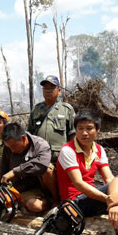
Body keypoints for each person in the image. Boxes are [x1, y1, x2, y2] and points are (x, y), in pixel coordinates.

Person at [56, 109, 114, 216]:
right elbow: (79, 184)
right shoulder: (67, 150)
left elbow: (109, 178)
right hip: (74, 203)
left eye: (89, 128)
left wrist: (116, 195)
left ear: (98, 130)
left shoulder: (99, 150)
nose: (84, 133)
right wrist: (108, 199)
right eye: (80, 129)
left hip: (91, 198)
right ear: (75, 130)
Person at [28, 75, 75, 203]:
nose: (48, 91)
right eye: (45, 88)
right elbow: (30, 133)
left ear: (59, 90)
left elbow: (72, 134)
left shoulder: (66, 109)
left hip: (59, 158)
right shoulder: (37, 109)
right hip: (40, 156)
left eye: (52, 88)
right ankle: (52, 200)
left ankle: (57, 201)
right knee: (44, 170)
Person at [0, 122, 52, 213]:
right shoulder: (9, 146)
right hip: (17, 189)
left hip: (37, 189)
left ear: (24, 138)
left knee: (49, 169)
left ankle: (52, 202)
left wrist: (15, 171)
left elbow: (42, 164)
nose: (12, 150)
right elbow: (3, 169)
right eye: (9, 147)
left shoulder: (40, 144)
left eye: (14, 146)